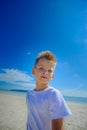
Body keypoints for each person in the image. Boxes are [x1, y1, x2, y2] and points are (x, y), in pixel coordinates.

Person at [26, 50, 72, 130]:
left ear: (52, 76)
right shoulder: (29, 94)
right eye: (41, 68)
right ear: (33, 71)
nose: (45, 72)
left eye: (49, 70)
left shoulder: (53, 94)